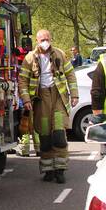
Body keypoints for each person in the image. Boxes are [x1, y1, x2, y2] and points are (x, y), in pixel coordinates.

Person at [18, 29, 79, 183]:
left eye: (47, 38)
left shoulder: (59, 54)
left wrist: (74, 94)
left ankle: (60, 170)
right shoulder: (30, 58)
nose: (45, 41)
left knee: (59, 135)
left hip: (57, 97)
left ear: (51, 39)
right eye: (42, 39)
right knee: (45, 135)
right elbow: (23, 80)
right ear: (37, 41)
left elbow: (70, 75)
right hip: (41, 99)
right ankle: (48, 170)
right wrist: (26, 99)